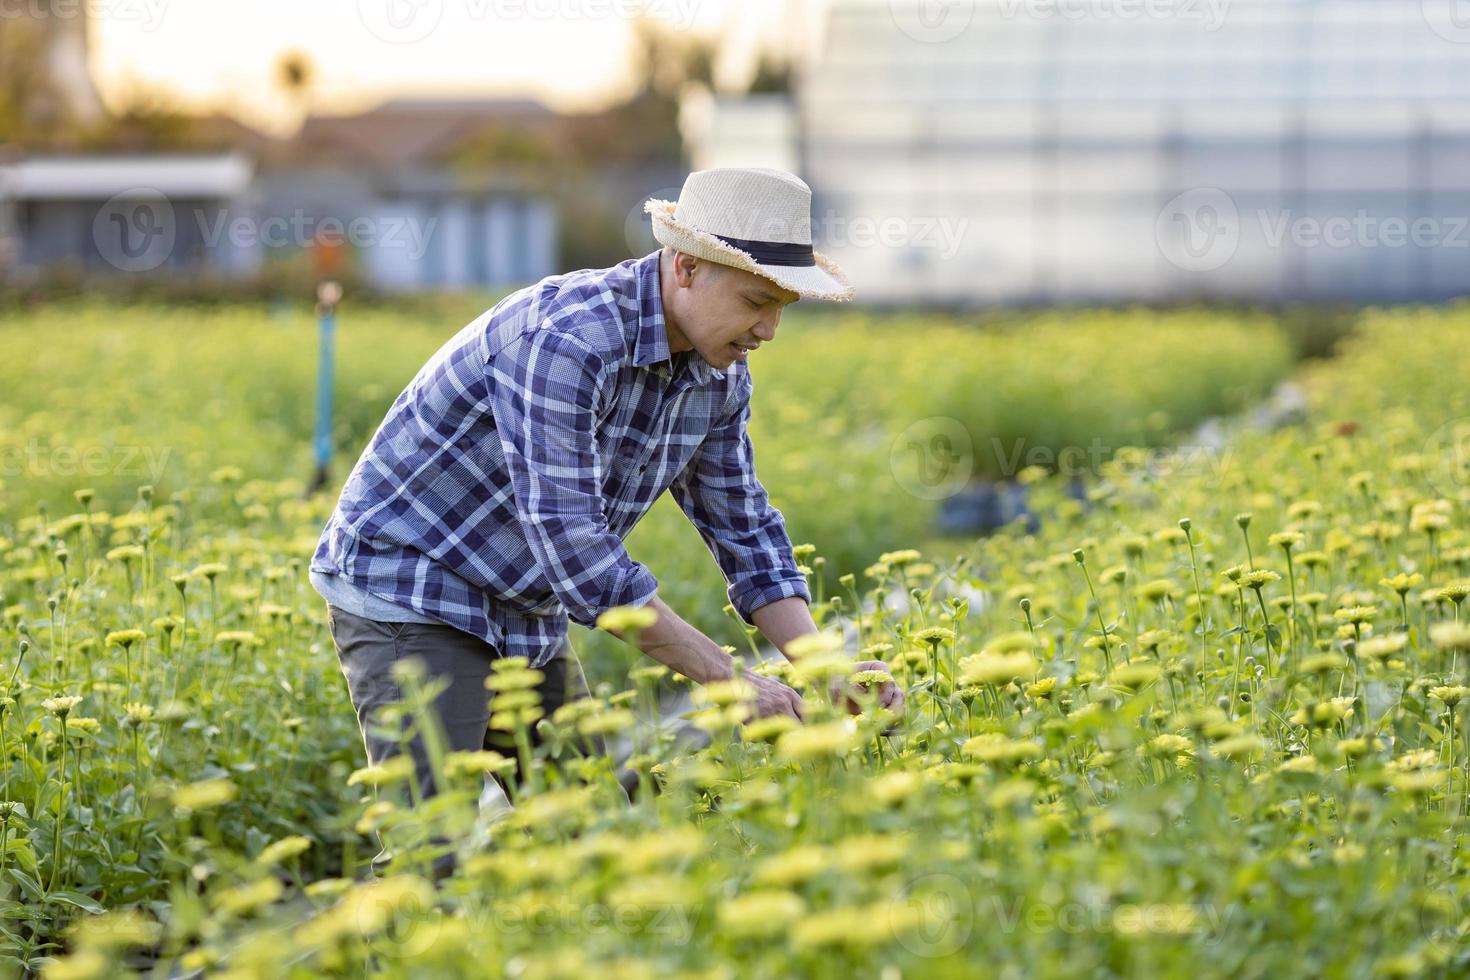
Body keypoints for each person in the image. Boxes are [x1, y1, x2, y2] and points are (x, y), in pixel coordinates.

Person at [308, 166, 905, 878]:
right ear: (686, 266)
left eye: (782, 307)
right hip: (412, 582)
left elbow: (745, 530)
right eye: (755, 301)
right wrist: (727, 676)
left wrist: (826, 669)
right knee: (427, 847)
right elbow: (579, 556)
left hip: (520, 600)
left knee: (586, 823)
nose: (769, 329)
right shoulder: (568, 340)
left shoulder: (718, 374)